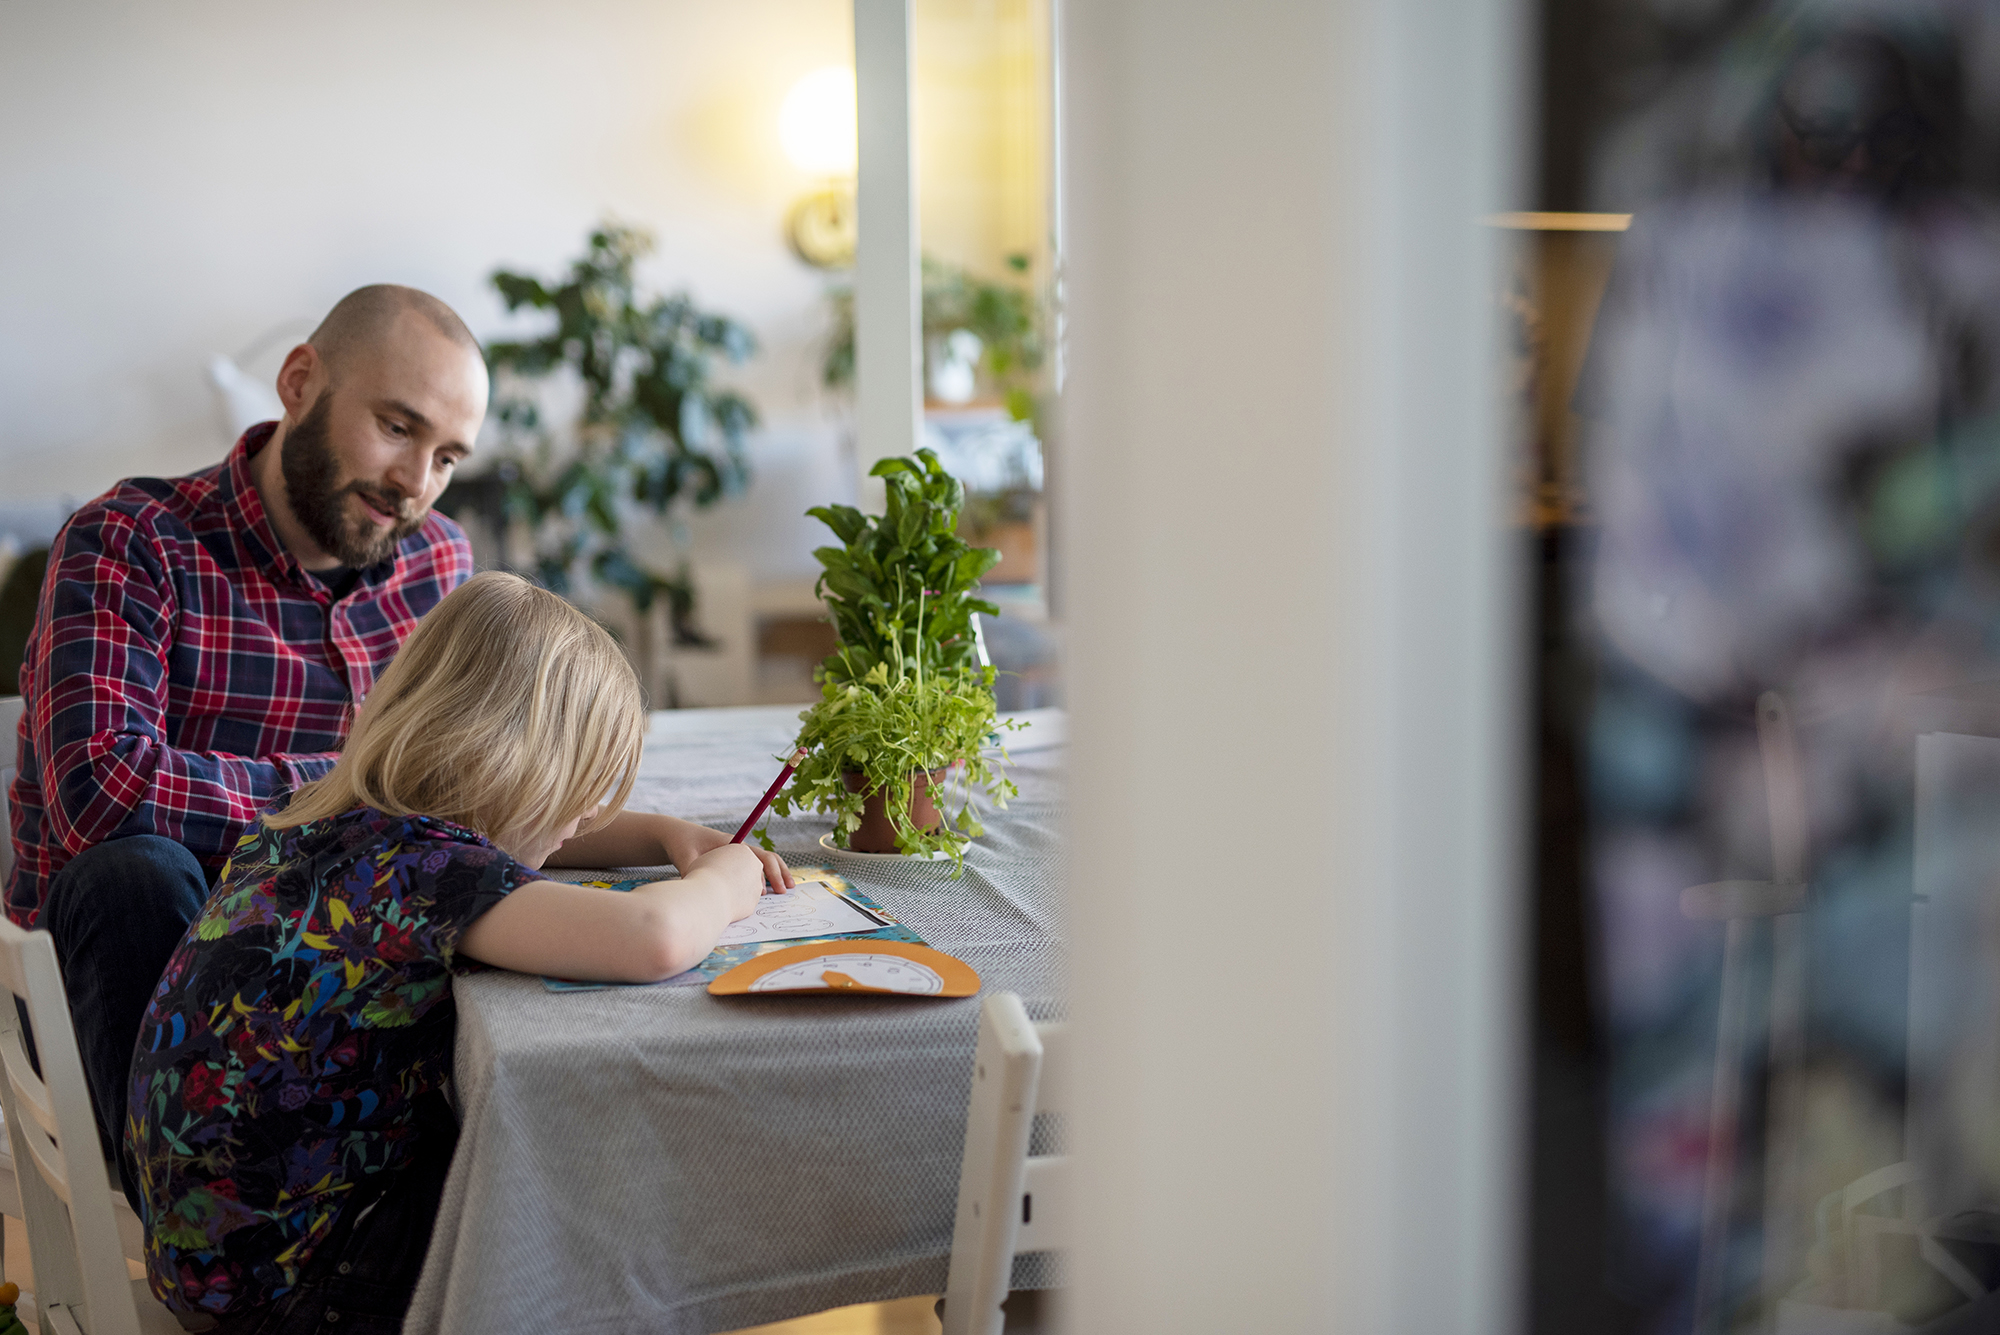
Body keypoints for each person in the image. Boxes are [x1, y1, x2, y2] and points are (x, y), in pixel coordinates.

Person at [127, 571, 794, 1333]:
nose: (581, 822)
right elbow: (655, 937)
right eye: (579, 790)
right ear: (513, 764)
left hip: (217, 1257)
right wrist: (725, 877)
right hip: (305, 1291)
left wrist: (668, 832)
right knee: (583, 1194)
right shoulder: (421, 876)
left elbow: (531, 838)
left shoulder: (325, 817)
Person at [5, 285, 490, 1177]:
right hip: (122, 1003)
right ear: (300, 381)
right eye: (396, 427)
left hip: (335, 996)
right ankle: (202, 1220)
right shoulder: (129, 541)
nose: (415, 482)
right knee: (132, 868)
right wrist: (363, 785)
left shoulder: (441, 564)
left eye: (448, 457)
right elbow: (103, 795)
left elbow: (470, 790)